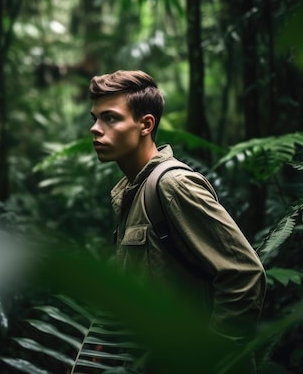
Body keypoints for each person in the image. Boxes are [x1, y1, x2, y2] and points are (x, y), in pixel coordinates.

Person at [88, 69, 266, 373]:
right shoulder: (132, 191)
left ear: (146, 125)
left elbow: (244, 273)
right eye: (94, 118)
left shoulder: (171, 185)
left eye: (110, 118)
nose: (95, 129)